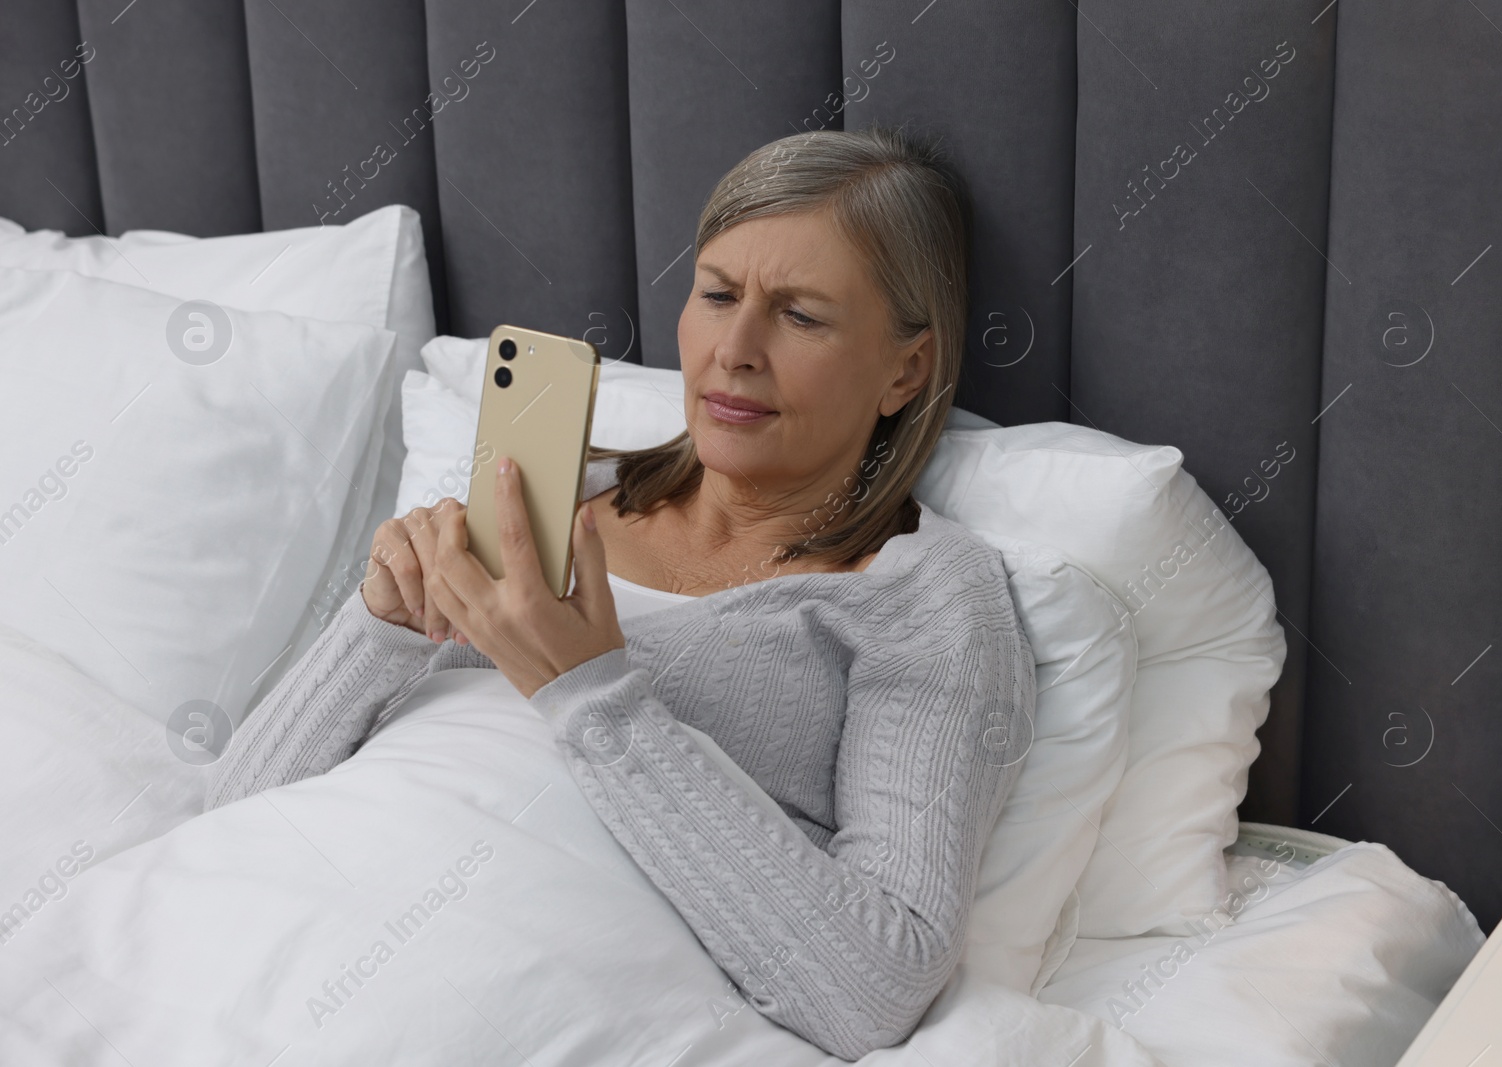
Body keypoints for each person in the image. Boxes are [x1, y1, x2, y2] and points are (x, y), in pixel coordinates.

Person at [205, 124, 1037, 1060]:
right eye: (717, 294)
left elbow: (872, 990)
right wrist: (379, 629)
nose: (735, 348)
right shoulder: (546, 499)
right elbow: (228, 817)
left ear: (906, 368)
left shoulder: (922, 595)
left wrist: (590, 691)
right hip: (248, 942)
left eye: (801, 315)